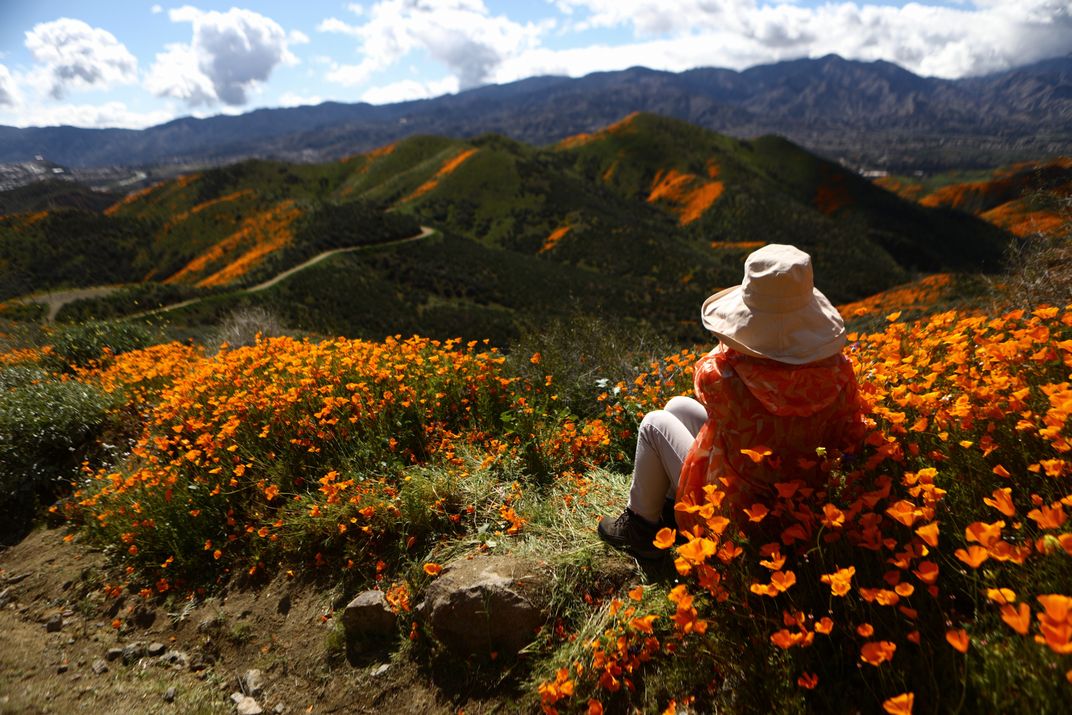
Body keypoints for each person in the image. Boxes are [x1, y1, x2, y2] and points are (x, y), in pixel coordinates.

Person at [598, 243, 865, 559]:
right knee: (678, 408)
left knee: (656, 422)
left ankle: (639, 528)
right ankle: (669, 507)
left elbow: (711, 365)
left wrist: (742, 345)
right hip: (801, 501)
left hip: (732, 515)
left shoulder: (723, 377)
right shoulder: (839, 371)